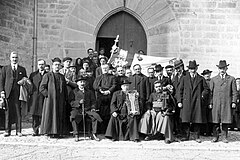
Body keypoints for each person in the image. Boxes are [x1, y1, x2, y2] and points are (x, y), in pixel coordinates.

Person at [177, 60, 209, 143]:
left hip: (197, 102)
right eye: (191, 69)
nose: (192, 70)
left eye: (194, 68)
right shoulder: (184, 78)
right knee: (185, 120)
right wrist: (179, 101)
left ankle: (196, 136)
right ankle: (185, 136)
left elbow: (206, 89)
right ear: (188, 69)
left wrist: (202, 95)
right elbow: (179, 90)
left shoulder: (201, 78)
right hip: (186, 102)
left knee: (197, 120)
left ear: (197, 68)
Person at [39, 57, 69, 137]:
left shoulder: (62, 76)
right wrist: (48, 95)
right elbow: (42, 88)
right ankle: (50, 131)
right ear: (52, 66)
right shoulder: (47, 75)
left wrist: (65, 98)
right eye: (55, 65)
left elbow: (65, 88)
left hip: (60, 100)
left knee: (59, 115)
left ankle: (58, 132)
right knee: (51, 115)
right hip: (51, 100)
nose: (57, 66)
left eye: (58, 65)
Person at [209, 60, 237, 143]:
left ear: (226, 68)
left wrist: (233, 102)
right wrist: (210, 103)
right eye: (220, 68)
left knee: (225, 120)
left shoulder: (231, 79)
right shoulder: (213, 79)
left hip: (226, 103)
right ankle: (215, 137)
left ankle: (224, 137)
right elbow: (210, 93)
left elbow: (234, 92)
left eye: (223, 68)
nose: (222, 70)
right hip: (216, 103)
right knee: (215, 121)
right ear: (218, 69)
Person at [0, 51, 27, 137]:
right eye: (13, 57)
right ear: (10, 58)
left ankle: (18, 131)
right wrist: (2, 92)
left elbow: (25, 79)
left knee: (18, 112)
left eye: (16, 57)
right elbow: (1, 81)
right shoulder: (5, 69)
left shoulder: (22, 69)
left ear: (18, 58)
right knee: (8, 112)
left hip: (18, 94)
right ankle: (7, 131)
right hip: (8, 93)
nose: (14, 59)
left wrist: (23, 81)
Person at [69, 76, 102, 142]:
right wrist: (78, 102)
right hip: (78, 109)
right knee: (73, 116)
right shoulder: (73, 92)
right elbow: (71, 102)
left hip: (88, 110)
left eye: (84, 82)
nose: (82, 83)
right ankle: (76, 134)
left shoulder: (89, 92)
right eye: (80, 82)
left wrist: (93, 108)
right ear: (77, 83)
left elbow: (93, 101)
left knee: (95, 116)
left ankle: (93, 134)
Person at [93, 64, 116, 133]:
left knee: (108, 113)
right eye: (103, 68)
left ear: (108, 69)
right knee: (101, 113)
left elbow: (114, 85)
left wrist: (109, 91)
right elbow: (95, 86)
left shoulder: (112, 77)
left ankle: (108, 130)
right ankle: (101, 130)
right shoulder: (99, 77)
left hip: (109, 96)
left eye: (106, 68)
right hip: (101, 97)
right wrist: (100, 90)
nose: (105, 69)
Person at [29, 59, 46, 136]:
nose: (41, 66)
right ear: (37, 65)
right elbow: (29, 86)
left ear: (45, 65)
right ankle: (35, 130)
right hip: (35, 97)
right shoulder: (33, 75)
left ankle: (43, 130)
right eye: (39, 64)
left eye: (42, 64)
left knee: (44, 113)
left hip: (44, 97)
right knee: (35, 114)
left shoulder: (48, 74)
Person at [171, 59, 186, 136]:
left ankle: (185, 134)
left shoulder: (186, 75)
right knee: (177, 117)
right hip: (176, 99)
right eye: (176, 68)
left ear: (182, 66)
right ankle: (178, 132)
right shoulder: (175, 77)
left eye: (179, 67)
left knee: (184, 118)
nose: (178, 70)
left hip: (184, 100)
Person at [201, 69, 213, 136]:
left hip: (210, 100)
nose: (207, 75)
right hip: (203, 101)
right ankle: (202, 131)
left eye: (208, 74)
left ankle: (209, 131)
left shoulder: (212, 81)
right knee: (203, 116)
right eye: (206, 74)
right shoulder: (202, 81)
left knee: (210, 117)